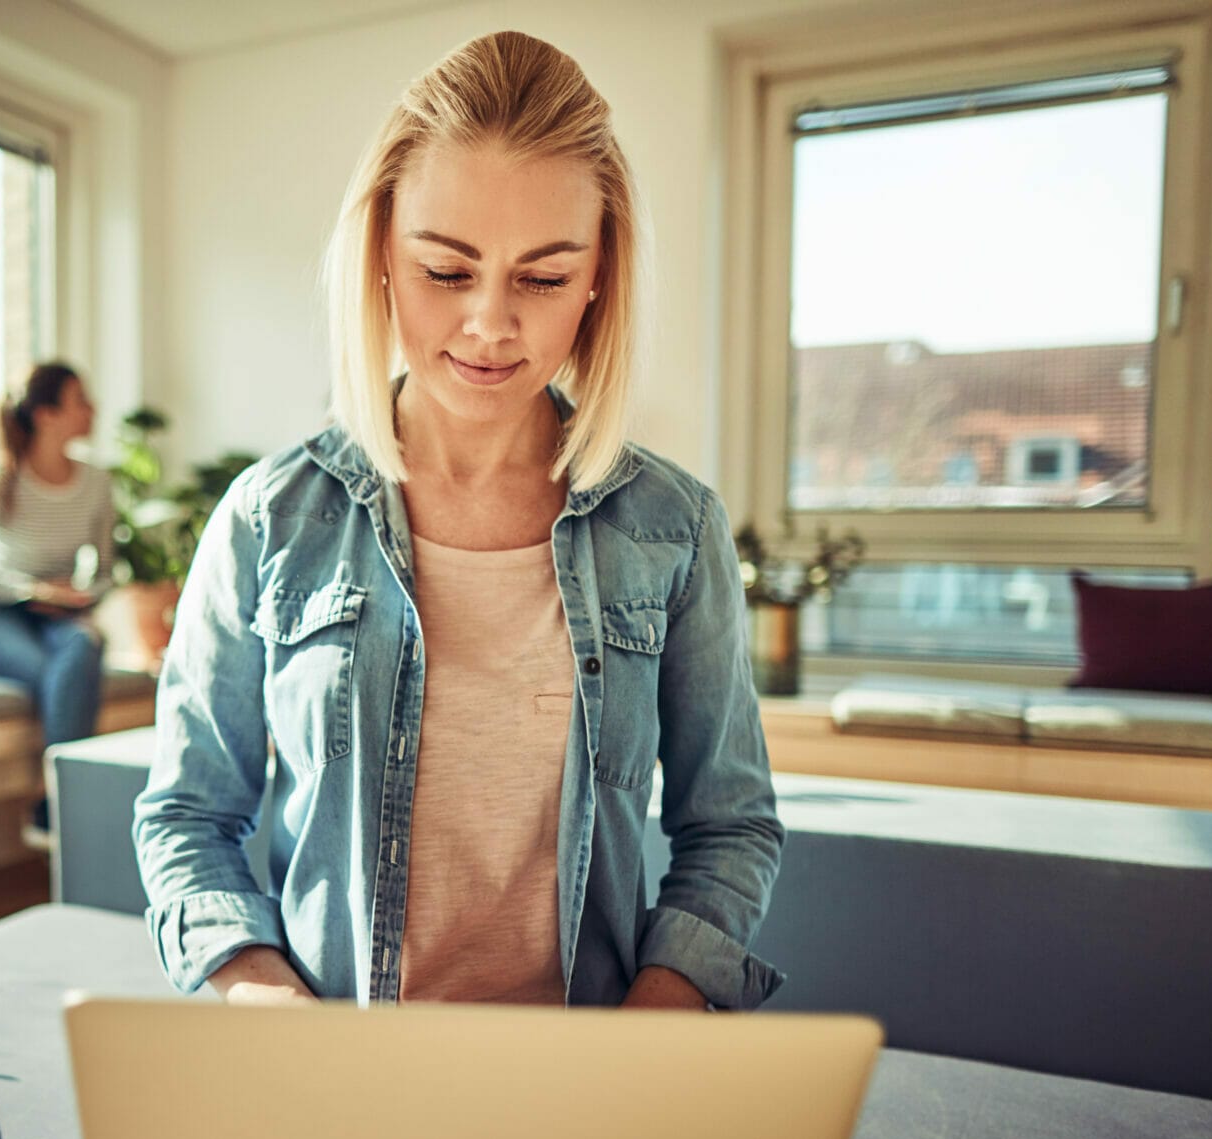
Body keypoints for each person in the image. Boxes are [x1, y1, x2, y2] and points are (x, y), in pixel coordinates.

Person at [133, 32, 785, 1011]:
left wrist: (656, 1017)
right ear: (383, 257)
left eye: (543, 277)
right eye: (446, 270)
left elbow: (729, 825)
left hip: (585, 1088)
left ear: (600, 277)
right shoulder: (269, 519)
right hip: (335, 1076)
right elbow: (187, 813)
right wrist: (257, 990)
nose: (489, 323)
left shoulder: (675, 529)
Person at [0, 361, 115, 844]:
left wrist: (78, 596)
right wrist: (29, 591)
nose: (92, 409)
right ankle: (64, 805)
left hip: (55, 614)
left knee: (83, 649)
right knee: (60, 673)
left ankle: (53, 802)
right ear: (47, 414)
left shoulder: (96, 483)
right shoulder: (0, 480)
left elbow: (106, 572)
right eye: (80, 400)